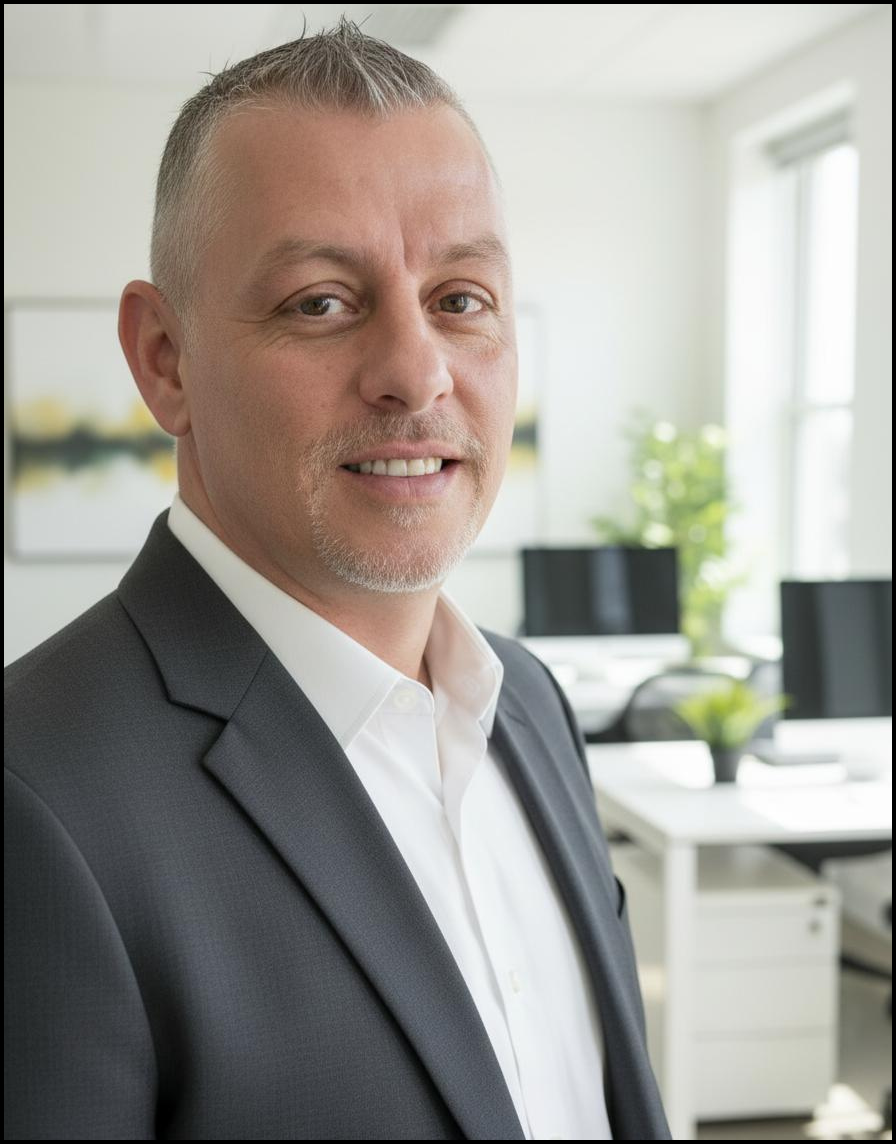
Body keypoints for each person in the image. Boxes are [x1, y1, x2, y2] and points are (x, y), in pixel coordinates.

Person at [4, 18, 670, 1141]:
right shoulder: (36, 798)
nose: (416, 372)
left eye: (460, 298)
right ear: (164, 361)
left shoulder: (530, 705)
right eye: (320, 301)